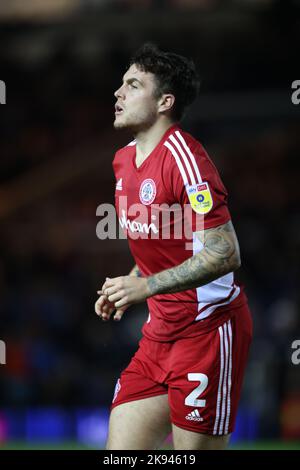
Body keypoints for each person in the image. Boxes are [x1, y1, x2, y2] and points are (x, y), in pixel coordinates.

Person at [95, 43, 252, 450]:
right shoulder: (123, 160)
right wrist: (128, 285)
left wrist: (146, 287)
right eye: (121, 84)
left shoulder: (187, 160)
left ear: (165, 101)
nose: (118, 93)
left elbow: (225, 252)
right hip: (157, 337)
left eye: (132, 85)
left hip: (207, 332)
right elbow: (159, 242)